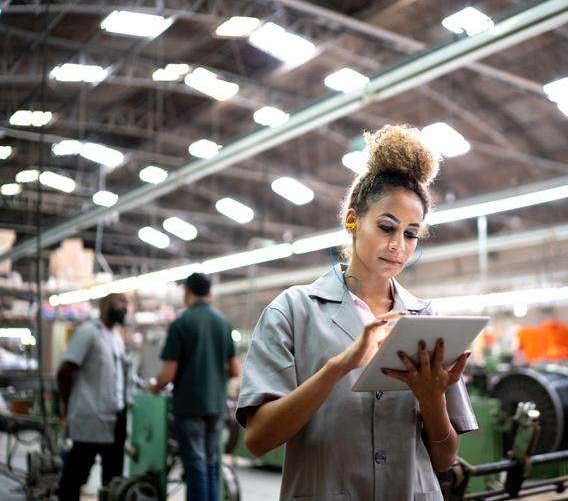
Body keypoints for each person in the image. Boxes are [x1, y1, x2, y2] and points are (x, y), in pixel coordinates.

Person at [236, 125, 477, 500]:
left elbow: (445, 459)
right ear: (352, 220)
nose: (398, 246)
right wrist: (339, 366)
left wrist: (432, 399)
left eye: (411, 234)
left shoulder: (425, 319)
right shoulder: (292, 312)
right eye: (386, 227)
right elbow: (257, 440)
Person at [150, 272, 240, 501]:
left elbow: (168, 374)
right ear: (209, 292)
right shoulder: (222, 322)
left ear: (187, 291)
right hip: (216, 405)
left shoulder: (181, 322)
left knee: (195, 466)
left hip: (189, 406)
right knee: (212, 463)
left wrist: (154, 387)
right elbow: (236, 370)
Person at [57, 293, 129, 501]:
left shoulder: (116, 338)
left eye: (127, 304)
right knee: (75, 475)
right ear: (106, 305)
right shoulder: (88, 332)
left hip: (116, 416)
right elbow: (65, 371)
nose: (125, 308)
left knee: (113, 478)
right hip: (91, 417)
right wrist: (68, 403)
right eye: (121, 303)